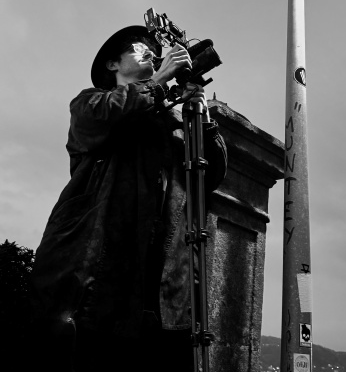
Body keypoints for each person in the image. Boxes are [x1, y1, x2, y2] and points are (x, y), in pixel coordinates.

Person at [30, 25, 227, 371]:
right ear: (113, 64)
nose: (151, 52)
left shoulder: (171, 122)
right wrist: (160, 80)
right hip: (98, 274)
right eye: (139, 48)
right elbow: (105, 114)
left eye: (155, 51)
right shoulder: (91, 102)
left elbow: (210, 175)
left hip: (160, 281)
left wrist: (202, 118)